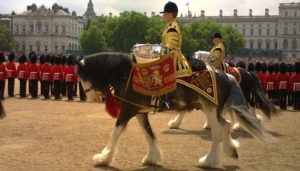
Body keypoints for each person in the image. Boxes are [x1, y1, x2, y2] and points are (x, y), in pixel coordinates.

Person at [160, 1, 192, 78]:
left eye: (165, 13)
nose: (164, 15)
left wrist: (157, 51)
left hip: (173, 59)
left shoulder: (171, 28)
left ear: (170, 14)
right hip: (170, 56)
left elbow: (170, 47)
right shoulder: (170, 26)